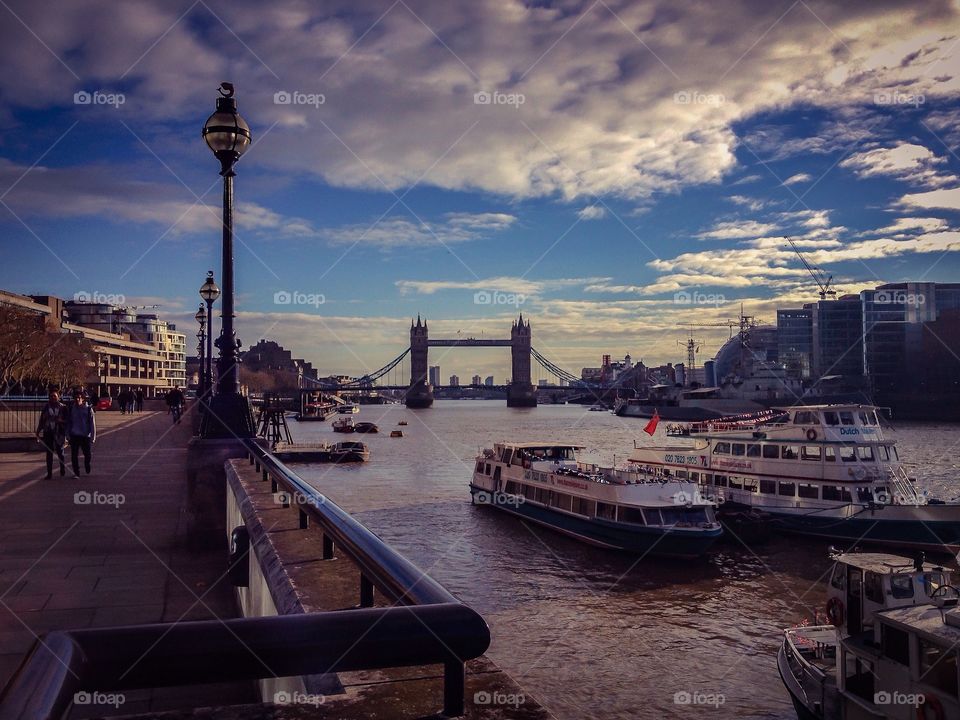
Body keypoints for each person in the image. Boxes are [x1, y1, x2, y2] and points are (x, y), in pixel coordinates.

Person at [35, 390, 66, 479]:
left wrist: (61, 421)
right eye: (51, 396)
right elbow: (42, 420)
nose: (53, 398)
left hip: (59, 432)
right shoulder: (46, 407)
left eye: (55, 396)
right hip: (48, 432)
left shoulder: (63, 408)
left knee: (60, 452)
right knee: (49, 453)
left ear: (58, 397)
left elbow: (67, 421)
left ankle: (62, 468)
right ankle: (49, 473)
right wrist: (37, 432)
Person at [66, 391, 96, 478]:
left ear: (83, 399)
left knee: (87, 454)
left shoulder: (88, 409)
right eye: (75, 397)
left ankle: (87, 464)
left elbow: (92, 423)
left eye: (79, 397)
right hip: (74, 435)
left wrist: (93, 437)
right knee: (74, 455)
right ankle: (76, 472)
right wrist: (67, 435)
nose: (77, 399)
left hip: (85, 435)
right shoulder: (72, 409)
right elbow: (69, 422)